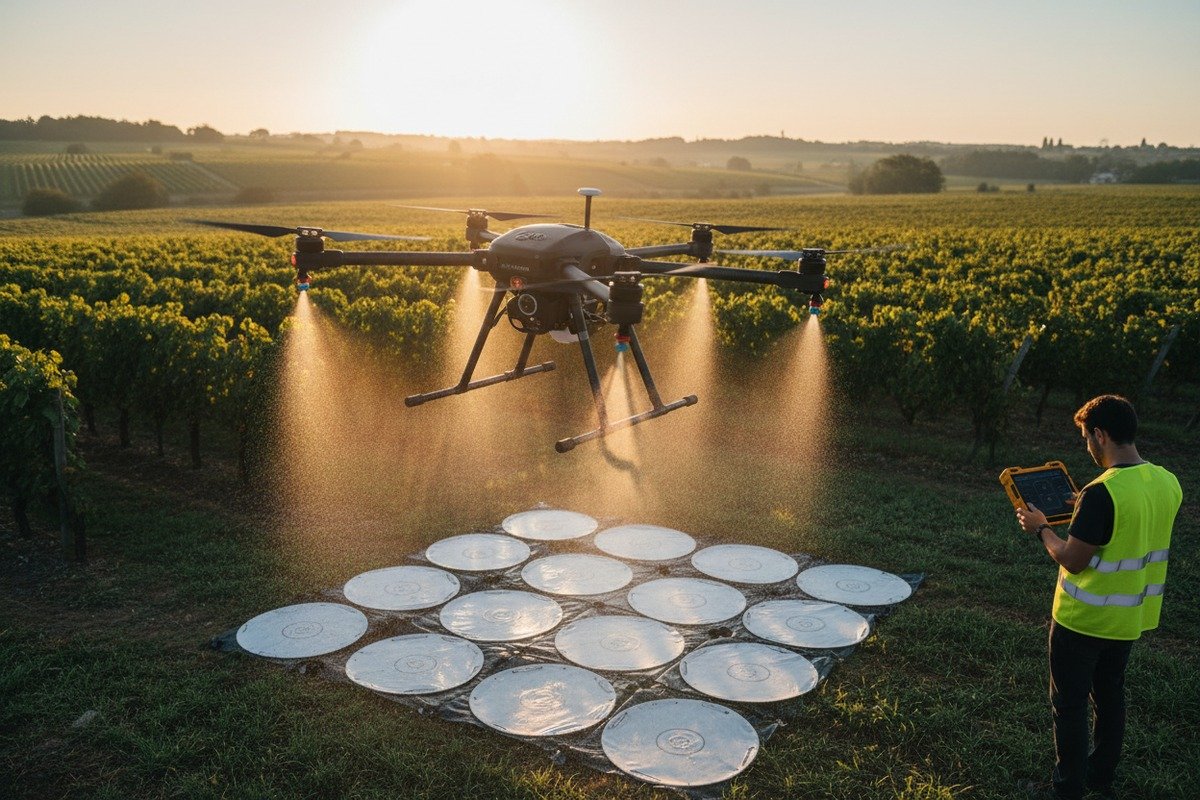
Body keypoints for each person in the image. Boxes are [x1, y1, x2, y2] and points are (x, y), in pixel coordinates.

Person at [1016, 394, 1182, 800]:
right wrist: (1084, 508)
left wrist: (1041, 528)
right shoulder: (1167, 481)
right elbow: (1131, 522)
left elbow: (1073, 559)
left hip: (1082, 620)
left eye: (1087, 437)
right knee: (1110, 697)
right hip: (1129, 619)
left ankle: (1067, 790)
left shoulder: (1100, 493)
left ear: (1101, 434)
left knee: (1069, 706)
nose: (1087, 446)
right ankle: (1101, 776)